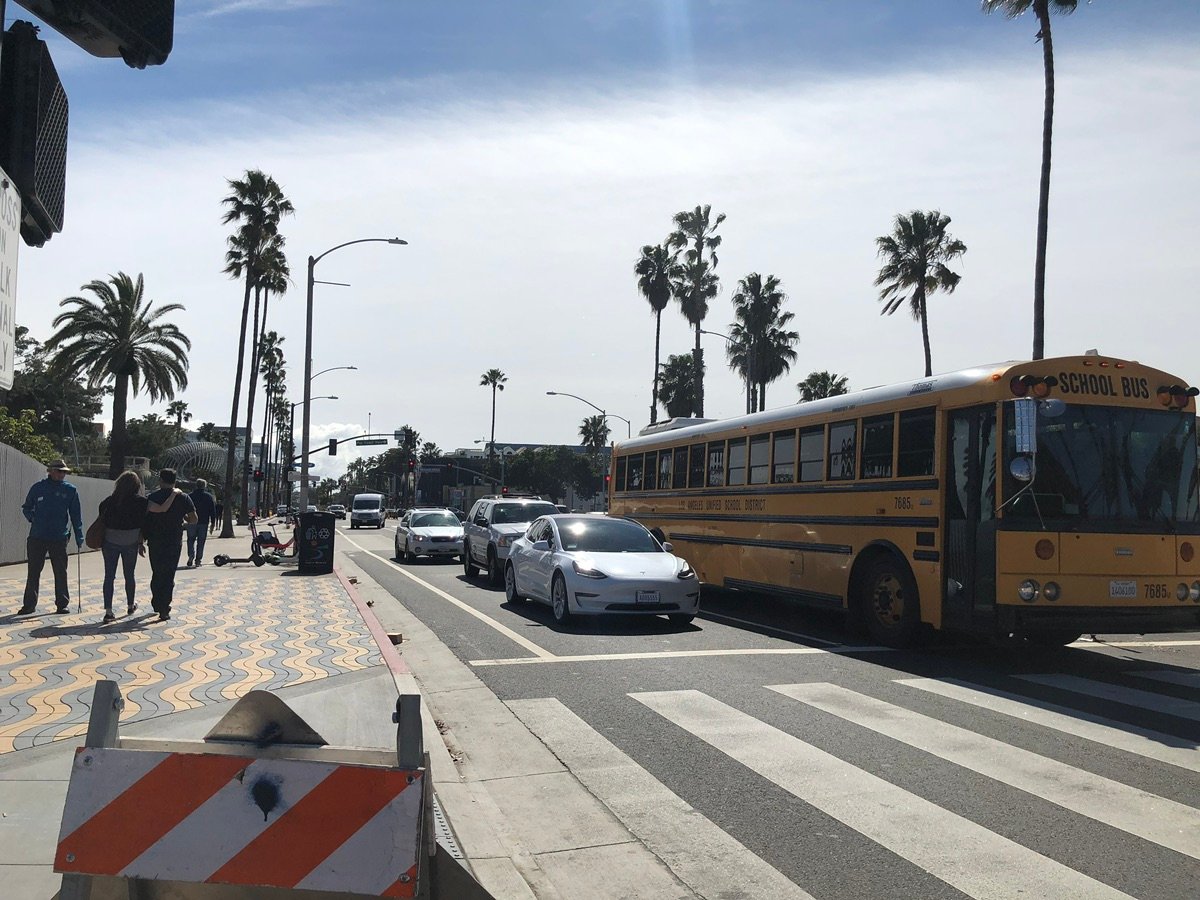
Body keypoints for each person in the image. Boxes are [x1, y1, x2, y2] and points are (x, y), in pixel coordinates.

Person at [96, 471, 179, 623]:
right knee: (129, 575)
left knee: (109, 576)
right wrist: (174, 494)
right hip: (130, 542)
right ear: (137, 486)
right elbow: (162, 509)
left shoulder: (108, 501)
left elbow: (103, 520)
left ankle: (108, 611)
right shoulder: (142, 502)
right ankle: (130, 605)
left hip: (110, 542)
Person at [18, 459, 84, 615]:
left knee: (60, 571)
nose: (62, 474)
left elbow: (76, 515)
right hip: (37, 536)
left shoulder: (70, 490)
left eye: (64, 472)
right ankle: (29, 605)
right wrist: (32, 518)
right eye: (60, 471)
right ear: (51, 471)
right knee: (33, 571)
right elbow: (26, 507)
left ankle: (62, 604)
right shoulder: (38, 488)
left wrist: (79, 535)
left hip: (59, 537)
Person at [143, 469, 197, 622]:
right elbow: (193, 519)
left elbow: (145, 520)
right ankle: (164, 607)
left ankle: (156, 601)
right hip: (174, 540)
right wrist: (182, 517)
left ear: (160, 481)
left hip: (155, 540)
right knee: (169, 574)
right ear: (175, 481)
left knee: (157, 571)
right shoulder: (184, 498)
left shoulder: (152, 497)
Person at [186, 479, 216, 566]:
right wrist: (213, 523)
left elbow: (185, 508)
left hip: (191, 521)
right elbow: (212, 511)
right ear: (204, 486)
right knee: (201, 541)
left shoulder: (190, 496)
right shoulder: (208, 497)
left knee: (190, 540)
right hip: (204, 522)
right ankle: (198, 559)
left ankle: (191, 555)